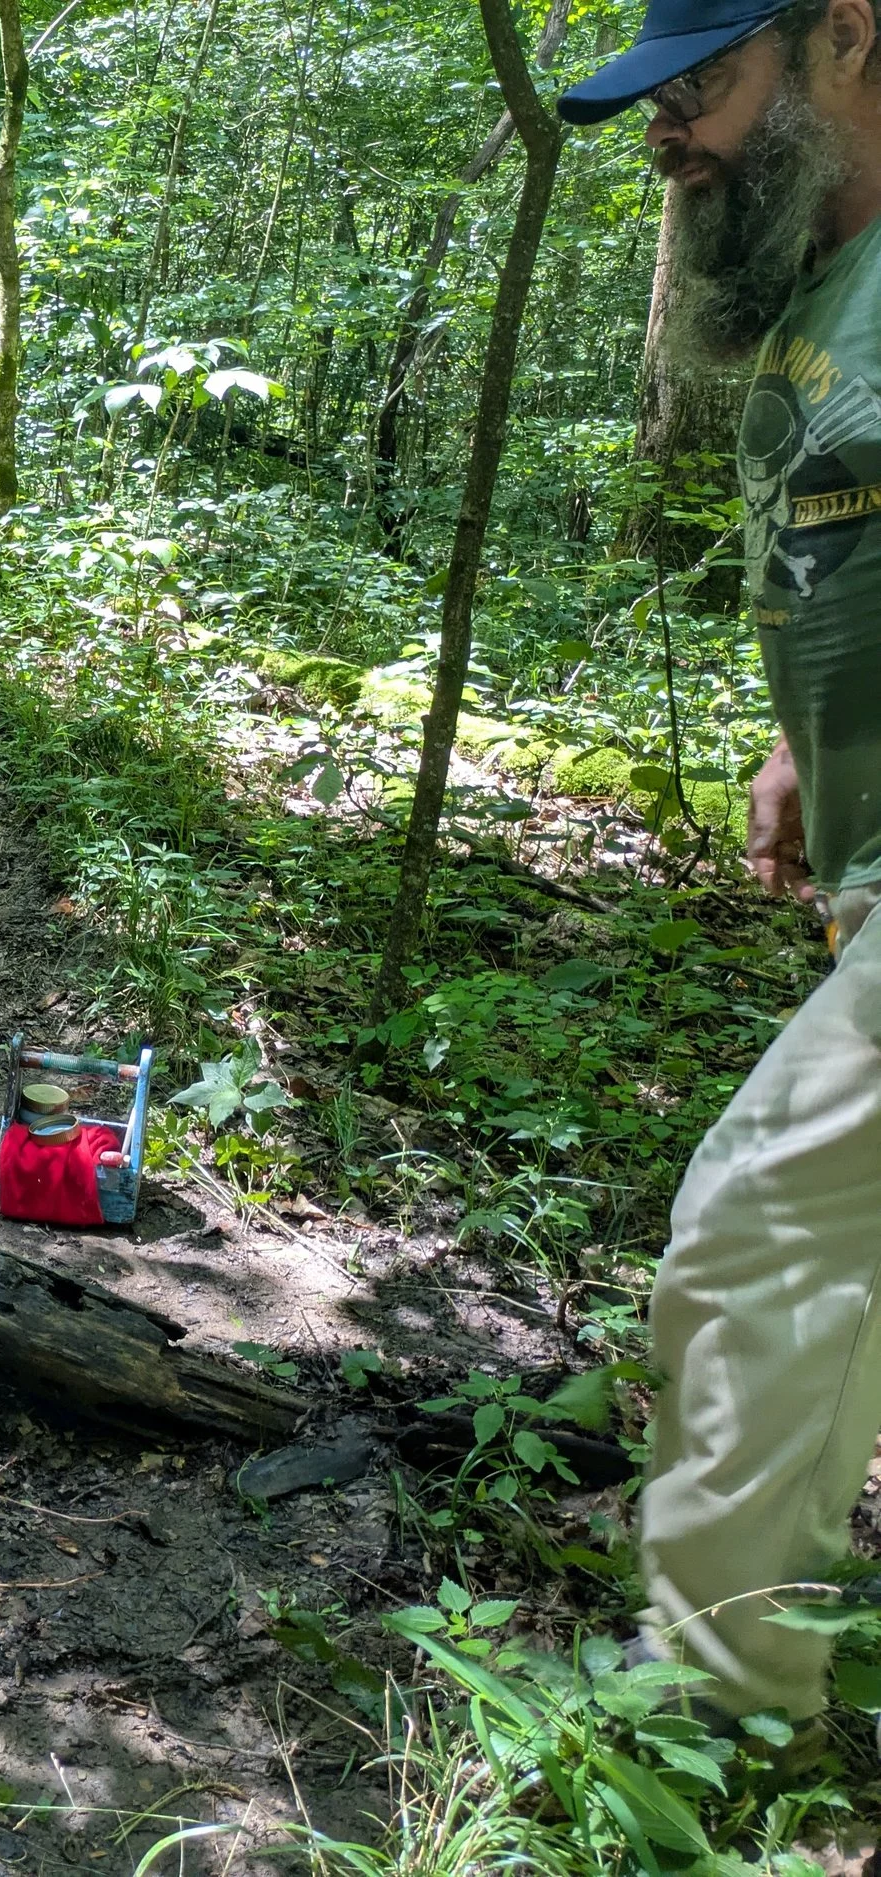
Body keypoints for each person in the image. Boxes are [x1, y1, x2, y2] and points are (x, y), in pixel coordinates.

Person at [564, 0, 881, 1731]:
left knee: (757, 1235)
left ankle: (715, 1721)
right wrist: (795, 746)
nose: (669, 135)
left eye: (701, 87)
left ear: (843, 35)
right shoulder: (823, 282)